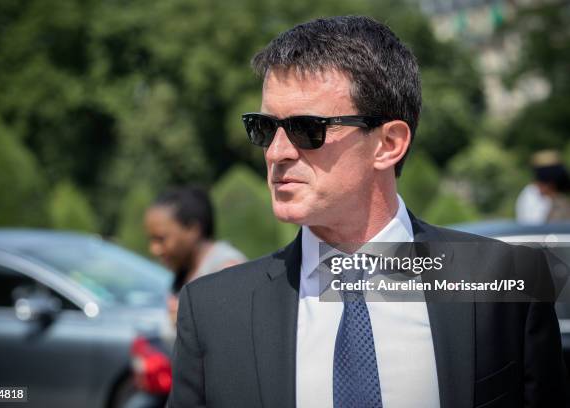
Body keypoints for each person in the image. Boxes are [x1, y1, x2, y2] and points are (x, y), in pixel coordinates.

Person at [169, 16, 568, 408]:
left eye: (307, 128)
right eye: (263, 128)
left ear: (389, 143)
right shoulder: (213, 313)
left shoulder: (505, 285)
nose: (277, 152)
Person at [144, 186, 246, 325]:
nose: (154, 249)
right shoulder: (184, 271)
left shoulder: (227, 270)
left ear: (193, 230)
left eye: (161, 239)